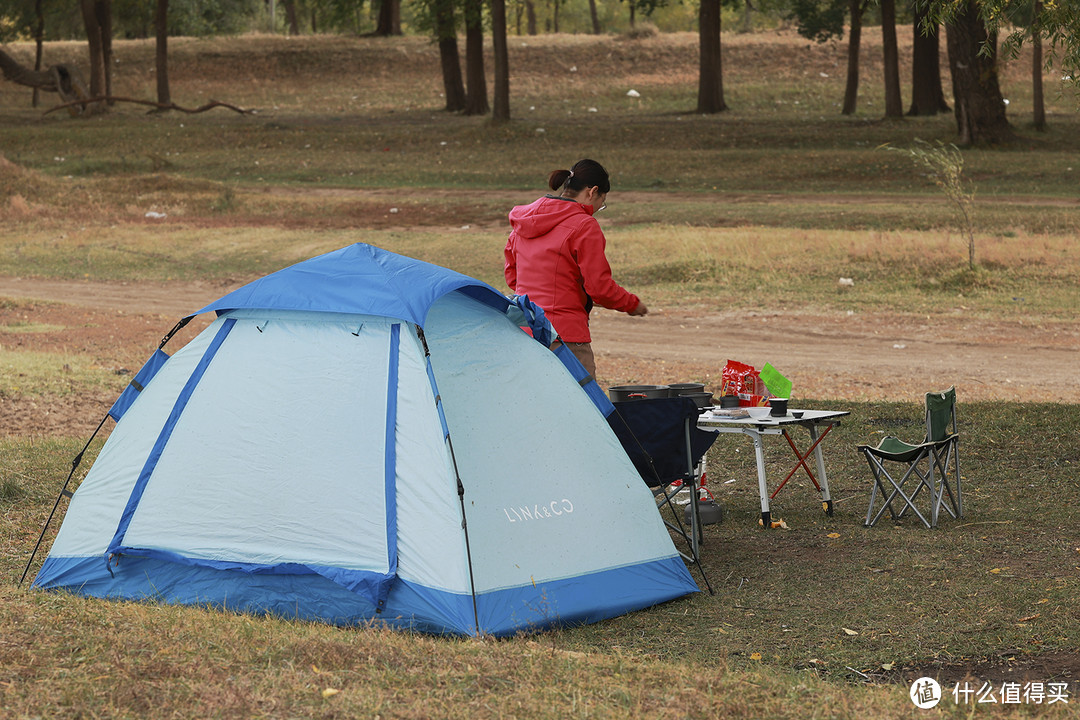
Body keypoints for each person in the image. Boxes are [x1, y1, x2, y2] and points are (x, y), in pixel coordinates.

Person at [504, 158, 648, 377]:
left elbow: (513, 277)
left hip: (524, 330)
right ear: (593, 191)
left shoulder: (525, 220)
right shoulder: (584, 224)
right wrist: (632, 304)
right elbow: (599, 288)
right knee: (584, 404)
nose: (598, 208)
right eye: (602, 202)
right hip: (565, 337)